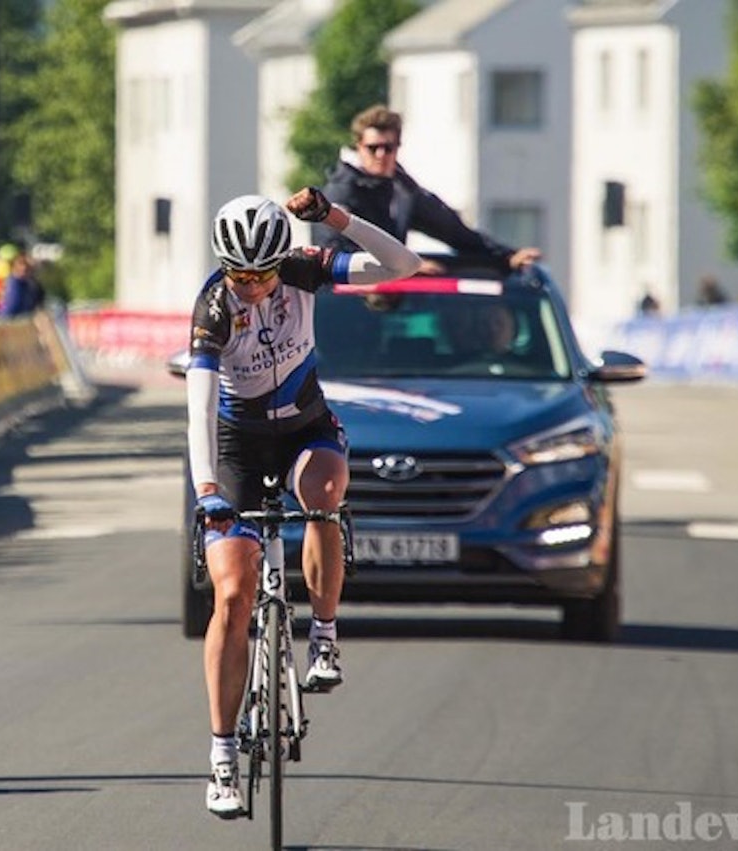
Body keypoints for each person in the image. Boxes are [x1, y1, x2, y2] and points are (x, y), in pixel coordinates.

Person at [188, 187, 420, 818]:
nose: (255, 286)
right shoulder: (213, 307)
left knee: (323, 493)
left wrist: (336, 219)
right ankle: (222, 757)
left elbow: (405, 267)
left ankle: (323, 636)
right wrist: (208, 493)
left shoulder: (302, 268)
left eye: (263, 273)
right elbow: (199, 413)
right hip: (236, 447)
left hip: (303, 428)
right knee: (233, 596)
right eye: (242, 274)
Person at [311, 104, 541, 273]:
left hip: (393, 293)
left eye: (388, 148)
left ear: (398, 148)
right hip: (349, 297)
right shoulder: (340, 193)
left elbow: (453, 231)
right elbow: (334, 253)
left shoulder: (402, 190)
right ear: (359, 148)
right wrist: (408, 269)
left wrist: (506, 256)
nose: (381, 155)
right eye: (373, 148)